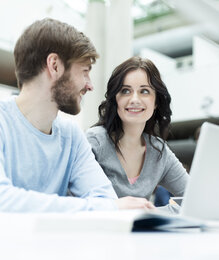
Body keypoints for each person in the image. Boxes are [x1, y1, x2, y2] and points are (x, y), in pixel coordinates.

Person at [0, 19, 154, 212]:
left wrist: (103, 208)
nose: (90, 85)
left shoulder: (71, 136)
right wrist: (97, 208)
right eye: (84, 72)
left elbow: (106, 199)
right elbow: (3, 201)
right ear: (54, 65)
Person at [86, 56, 189, 204]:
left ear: (156, 102)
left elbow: (193, 196)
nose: (134, 99)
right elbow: (77, 201)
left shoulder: (159, 151)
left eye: (145, 91)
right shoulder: (95, 142)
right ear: (115, 99)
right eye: (125, 91)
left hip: (142, 227)